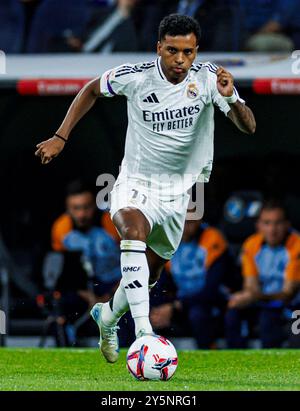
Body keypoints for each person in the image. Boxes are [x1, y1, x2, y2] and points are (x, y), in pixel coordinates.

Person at [35, 14, 256, 363]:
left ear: (196, 51)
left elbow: (249, 126)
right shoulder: (136, 76)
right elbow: (92, 88)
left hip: (179, 192)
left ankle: (107, 318)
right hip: (135, 182)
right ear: (159, 48)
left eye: (188, 52)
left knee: (149, 273)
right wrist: (61, 136)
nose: (180, 60)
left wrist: (231, 99)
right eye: (172, 51)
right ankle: (144, 336)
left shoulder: (212, 78)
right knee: (132, 231)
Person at [226, 200, 300, 348]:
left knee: (270, 321)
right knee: (232, 313)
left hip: (293, 307)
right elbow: (251, 285)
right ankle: (236, 363)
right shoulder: (251, 244)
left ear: (287, 225)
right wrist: (248, 296)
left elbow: (288, 293)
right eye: (267, 223)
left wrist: (253, 296)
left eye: (277, 223)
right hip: (264, 302)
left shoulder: (296, 245)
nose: (272, 229)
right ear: (258, 225)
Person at [151, 219, 230, 348]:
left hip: (208, 303)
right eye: (181, 221)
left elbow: (211, 290)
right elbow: (161, 282)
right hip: (179, 303)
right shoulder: (168, 240)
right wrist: (162, 307)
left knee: (197, 314)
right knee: (150, 309)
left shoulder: (212, 238)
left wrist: (174, 306)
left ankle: (210, 353)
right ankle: (151, 355)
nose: (185, 227)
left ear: (199, 220)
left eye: (190, 222)